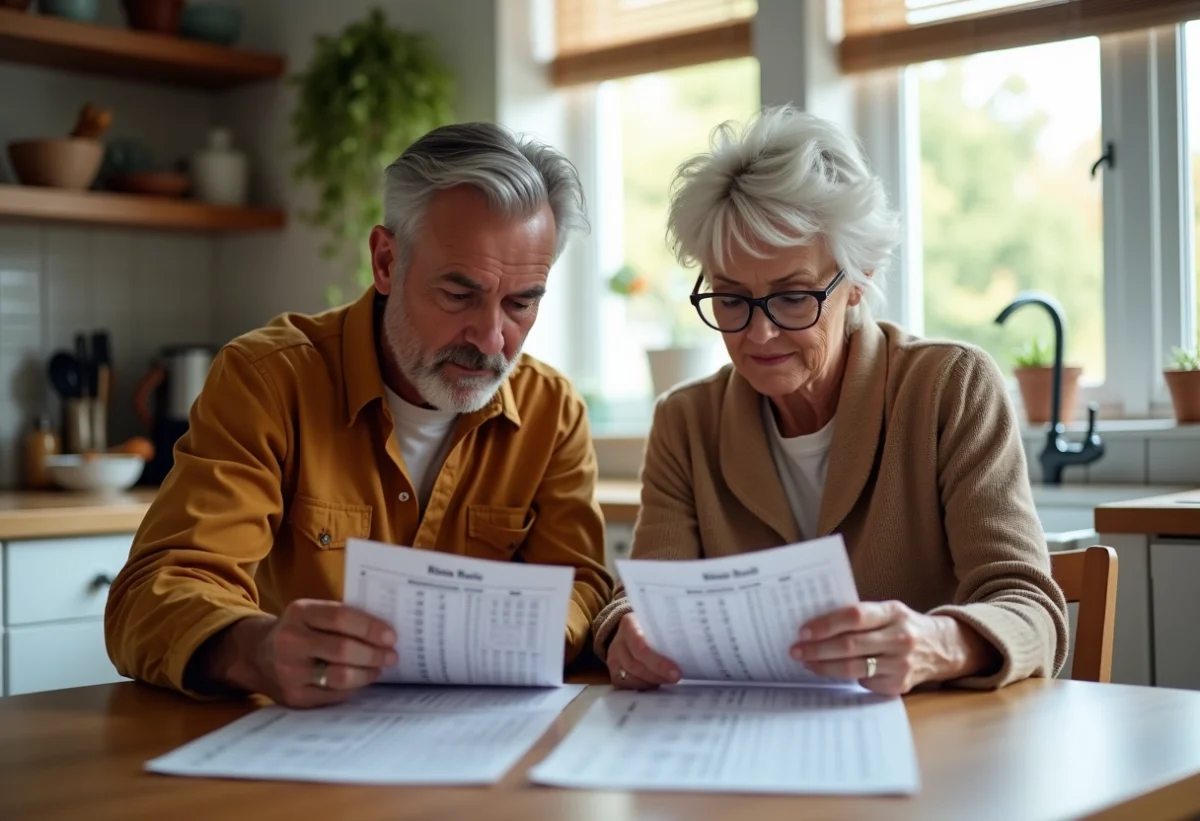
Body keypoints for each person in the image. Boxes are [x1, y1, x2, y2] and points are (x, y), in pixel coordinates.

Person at [105, 122, 612, 707]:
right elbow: (152, 593)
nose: (493, 340)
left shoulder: (553, 413)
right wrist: (257, 649)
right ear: (387, 261)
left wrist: (535, 634)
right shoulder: (267, 381)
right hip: (292, 749)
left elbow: (580, 587)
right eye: (458, 294)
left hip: (479, 751)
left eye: (522, 303)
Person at [593, 105, 1068, 695]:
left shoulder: (950, 388)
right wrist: (625, 635)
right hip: (745, 744)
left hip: (934, 743)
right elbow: (642, 603)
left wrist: (938, 642)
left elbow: (1029, 607)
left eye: (793, 297)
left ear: (859, 279)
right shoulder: (686, 421)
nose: (757, 334)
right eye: (731, 299)